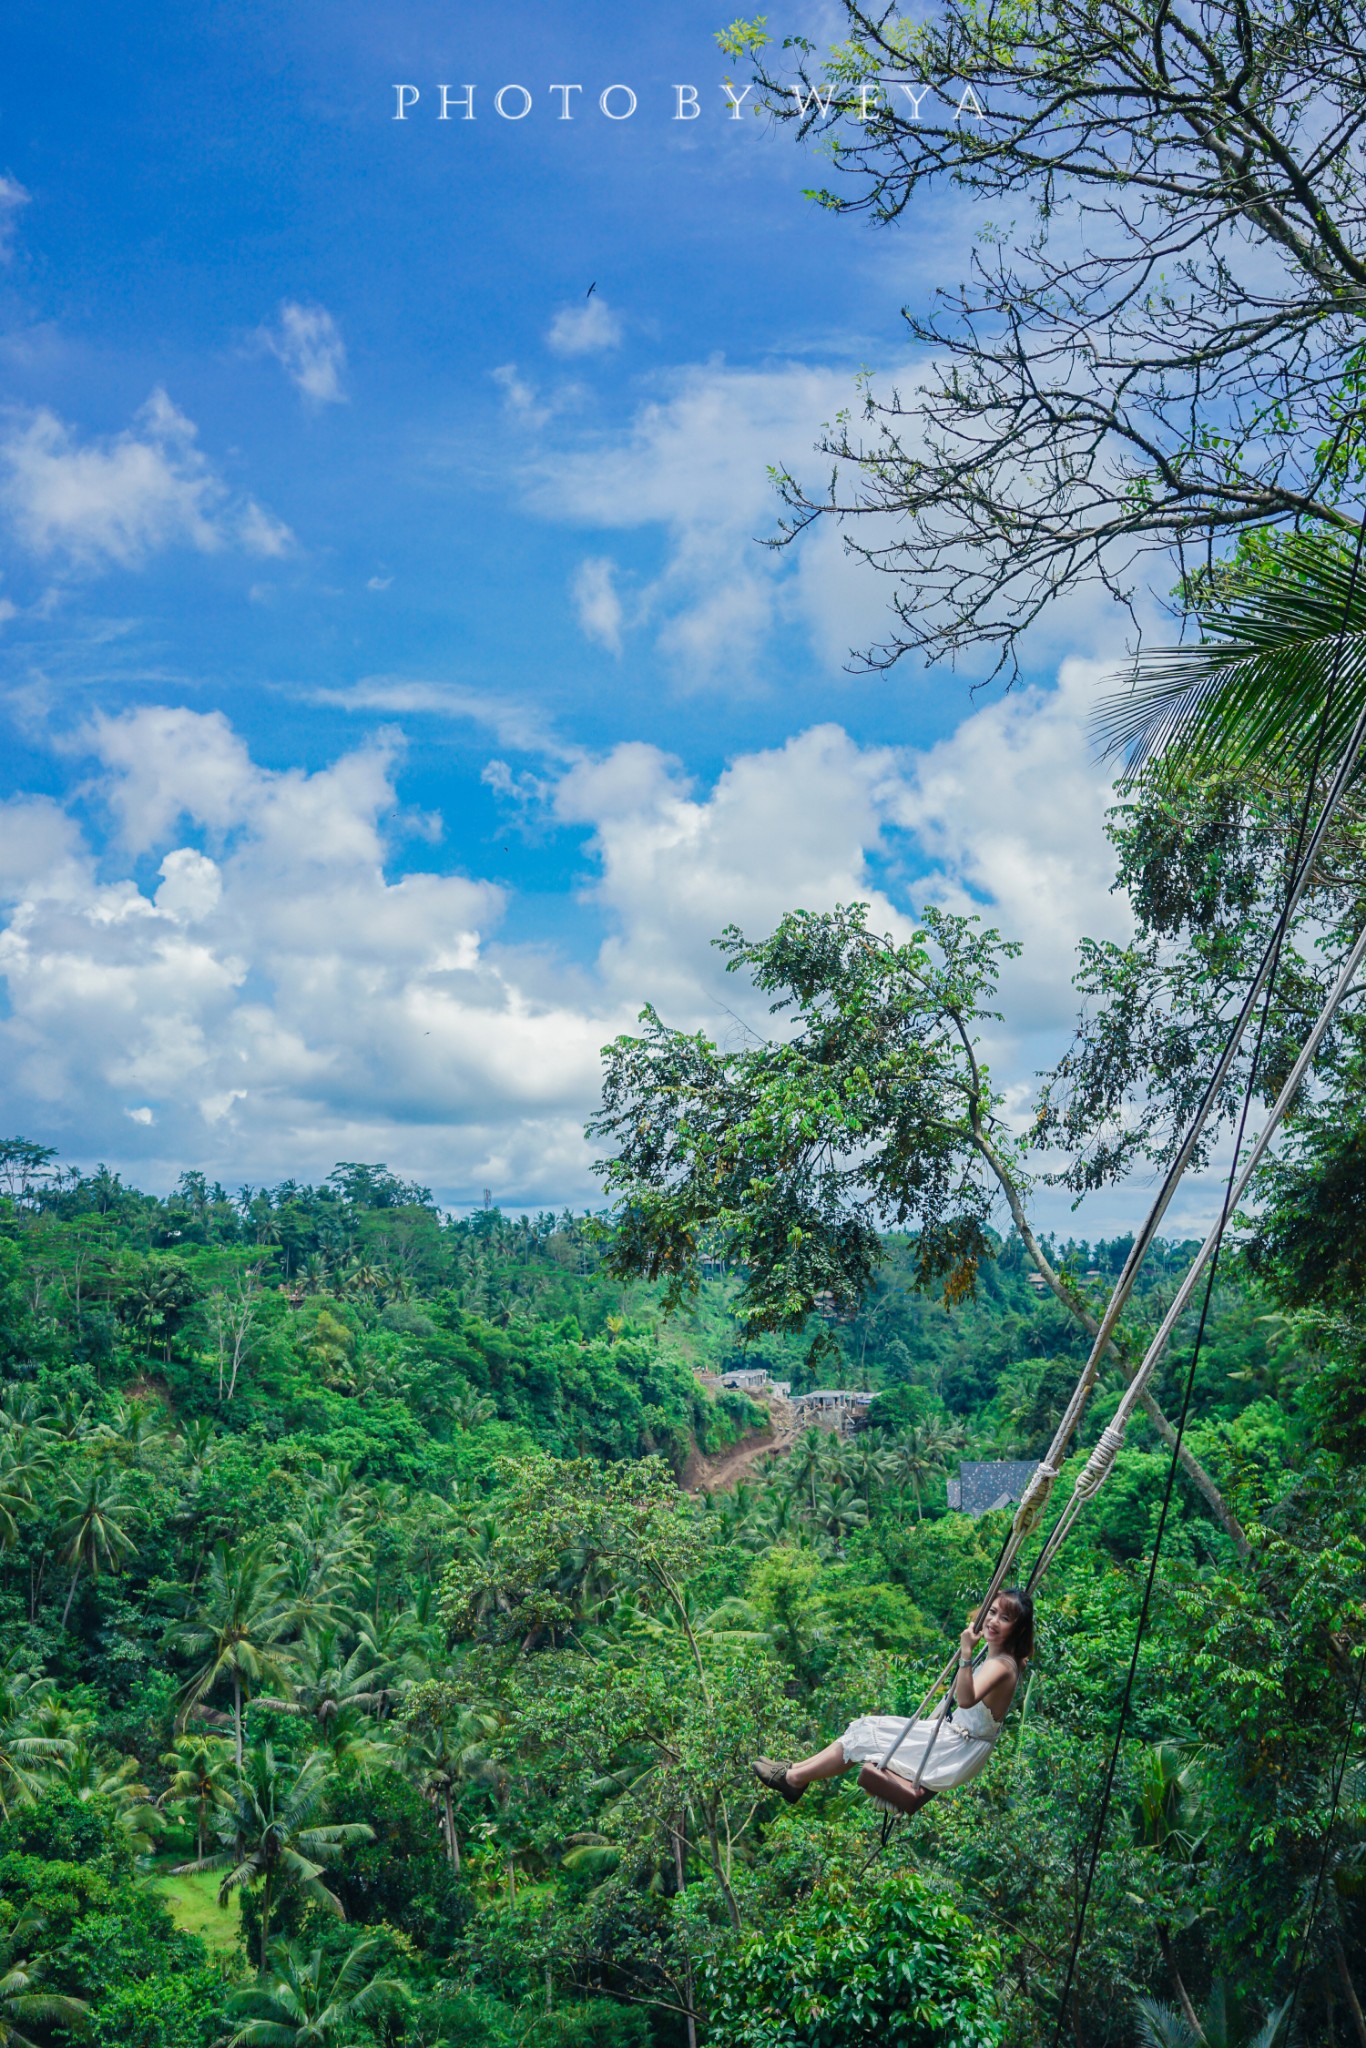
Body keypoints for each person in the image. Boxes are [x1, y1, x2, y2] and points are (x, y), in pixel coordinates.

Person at [751, 1588, 1034, 1815]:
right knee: (862, 1728)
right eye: (992, 1612)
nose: (993, 1621)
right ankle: (794, 1772)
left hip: (955, 1748)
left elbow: (966, 1699)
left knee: (865, 1733)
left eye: (1005, 1619)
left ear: (1016, 1630)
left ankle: (793, 1780)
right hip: (954, 1740)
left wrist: (966, 1653)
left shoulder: (1001, 1665)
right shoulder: (1001, 1656)